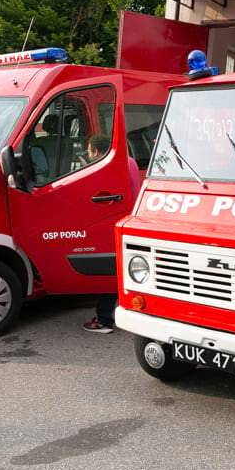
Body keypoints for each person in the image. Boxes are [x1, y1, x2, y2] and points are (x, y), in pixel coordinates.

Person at [83, 134, 141, 334]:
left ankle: (104, 319)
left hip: (115, 222)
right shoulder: (131, 161)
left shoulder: (106, 167)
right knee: (127, 270)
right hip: (133, 220)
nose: (89, 155)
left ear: (98, 152)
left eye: (90, 151)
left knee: (112, 272)